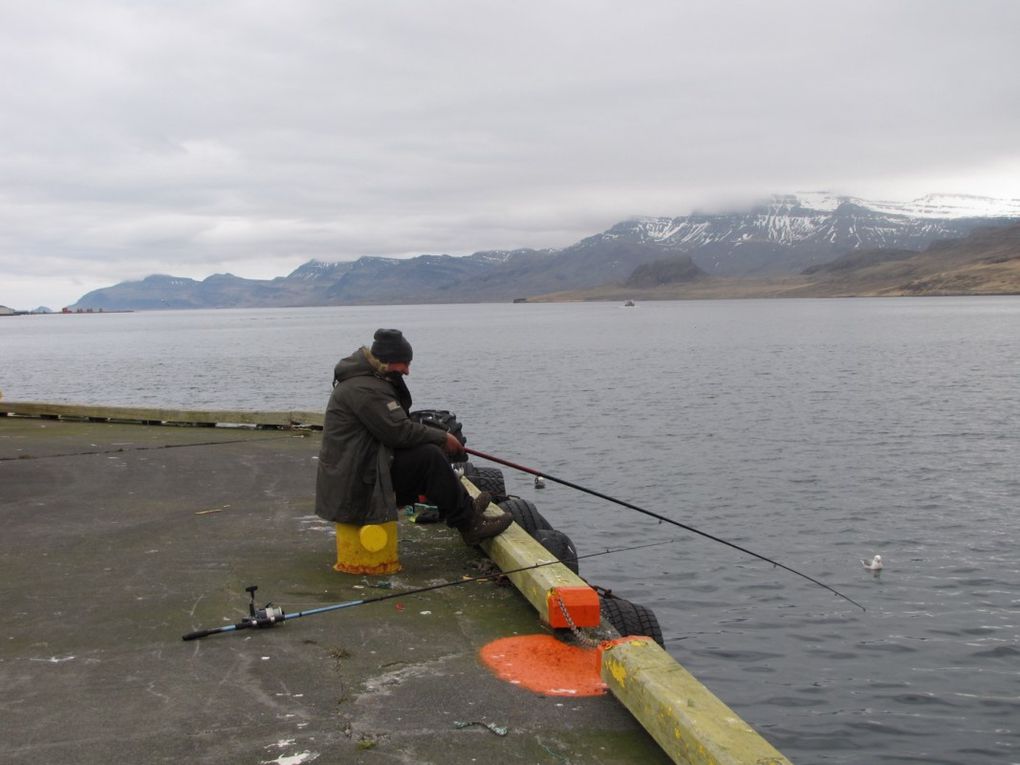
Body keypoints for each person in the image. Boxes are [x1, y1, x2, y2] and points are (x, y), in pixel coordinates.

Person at [315, 328, 512, 545]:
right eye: (404, 364)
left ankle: (466, 509)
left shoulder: (369, 380)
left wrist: (434, 438)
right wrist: (443, 437)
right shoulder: (365, 389)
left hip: (361, 469)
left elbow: (396, 429)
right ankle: (470, 525)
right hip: (355, 486)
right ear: (388, 361)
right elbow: (399, 432)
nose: (407, 371)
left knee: (428, 453)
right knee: (429, 458)